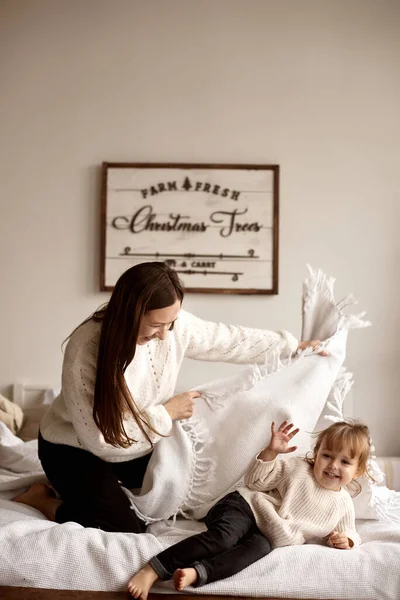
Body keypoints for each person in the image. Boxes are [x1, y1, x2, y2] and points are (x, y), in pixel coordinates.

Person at [14, 261, 325, 533]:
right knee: (124, 527)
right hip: (73, 448)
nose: (165, 334)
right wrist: (167, 413)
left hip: (137, 443)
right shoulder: (86, 348)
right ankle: (41, 499)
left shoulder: (172, 327)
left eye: (171, 323)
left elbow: (228, 339)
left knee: (183, 492)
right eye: (156, 325)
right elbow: (100, 440)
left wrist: (292, 346)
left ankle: (91, 490)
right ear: (129, 315)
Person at [127, 419, 371, 599]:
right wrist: (270, 453)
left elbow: (351, 533)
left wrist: (346, 541)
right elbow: (255, 481)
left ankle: (197, 573)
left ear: (358, 471)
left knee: (255, 551)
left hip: (267, 535)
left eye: (345, 462)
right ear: (316, 455)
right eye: (327, 455)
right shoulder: (298, 469)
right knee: (223, 538)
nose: (333, 466)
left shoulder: (343, 504)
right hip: (244, 507)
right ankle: (153, 568)